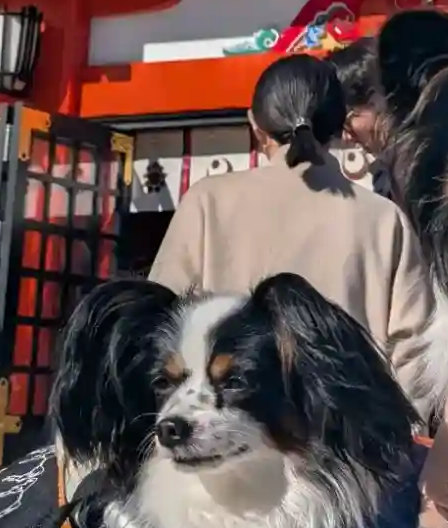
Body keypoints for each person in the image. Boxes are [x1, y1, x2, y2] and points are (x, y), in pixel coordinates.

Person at [150, 52, 432, 387]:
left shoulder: (206, 202)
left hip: (223, 412)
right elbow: (415, 353)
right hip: (345, 416)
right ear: (339, 127)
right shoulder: (384, 219)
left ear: (256, 123)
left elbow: (156, 321)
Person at [328, 36, 394, 197]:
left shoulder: (421, 168)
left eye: (347, 123)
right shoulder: (385, 174)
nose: (346, 137)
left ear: (377, 100)